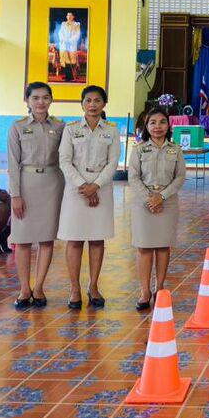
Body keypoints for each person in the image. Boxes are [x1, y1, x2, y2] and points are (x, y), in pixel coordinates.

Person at [58, 85, 120, 309]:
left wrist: (95, 186)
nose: (93, 105)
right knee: (74, 239)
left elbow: (113, 162)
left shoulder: (111, 130)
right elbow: (64, 160)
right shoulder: (71, 129)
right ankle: (74, 288)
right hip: (76, 189)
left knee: (96, 239)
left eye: (97, 100)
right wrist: (84, 186)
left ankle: (93, 286)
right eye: (88, 100)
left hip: (101, 187)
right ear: (82, 104)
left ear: (104, 104)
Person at [7, 82, 65, 308]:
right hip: (26, 183)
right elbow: (13, 164)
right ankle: (24, 288)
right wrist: (15, 195)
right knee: (22, 239)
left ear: (51, 100)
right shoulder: (18, 127)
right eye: (35, 98)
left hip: (52, 183)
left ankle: (39, 287)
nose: (41, 102)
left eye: (45, 97)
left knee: (47, 238)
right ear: (27, 101)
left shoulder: (60, 126)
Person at [128, 107, 186, 311]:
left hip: (167, 202)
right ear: (146, 125)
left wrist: (161, 197)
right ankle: (145, 291)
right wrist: (150, 198)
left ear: (168, 125)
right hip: (144, 204)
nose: (158, 126)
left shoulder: (176, 150)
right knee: (144, 247)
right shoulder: (138, 149)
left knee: (162, 247)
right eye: (153, 122)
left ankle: (159, 288)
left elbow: (180, 177)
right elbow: (133, 177)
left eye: (162, 122)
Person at [58, 11, 81, 82]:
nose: (69, 17)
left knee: (71, 60)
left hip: (71, 45)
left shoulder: (76, 24)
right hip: (64, 44)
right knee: (65, 60)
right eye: (68, 15)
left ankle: (71, 76)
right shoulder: (63, 24)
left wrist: (70, 40)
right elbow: (60, 33)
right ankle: (67, 75)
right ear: (66, 17)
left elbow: (77, 34)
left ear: (73, 17)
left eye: (71, 15)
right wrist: (64, 39)